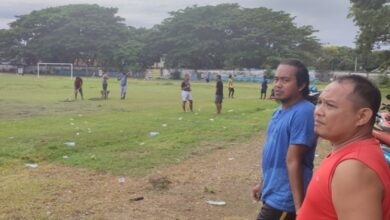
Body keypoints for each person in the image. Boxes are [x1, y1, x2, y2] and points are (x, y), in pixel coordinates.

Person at [298, 75, 390, 220]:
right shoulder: (351, 152)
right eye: (319, 102)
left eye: (330, 105)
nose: (318, 111)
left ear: (362, 116)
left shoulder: (353, 168)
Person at [252, 59, 317, 220]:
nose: (278, 85)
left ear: (301, 85)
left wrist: (299, 207)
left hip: (285, 199)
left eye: (285, 80)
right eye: (276, 79)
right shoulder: (278, 112)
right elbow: (273, 155)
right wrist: (263, 183)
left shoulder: (304, 112)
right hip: (273, 191)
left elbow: (294, 160)